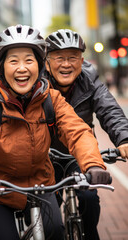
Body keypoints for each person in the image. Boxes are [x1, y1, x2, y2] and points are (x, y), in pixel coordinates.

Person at [0, 25, 111, 240]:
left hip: (40, 185)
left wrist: (93, 164)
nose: (22, 68)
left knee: (56, 233)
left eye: (29, 60)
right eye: (13, 61)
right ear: (2, 67)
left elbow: (78, 132)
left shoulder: (51, 99)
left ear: (39, 65)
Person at [44, 28, 128, 240]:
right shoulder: (37, 83)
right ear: (46, 62)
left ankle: (90, 233)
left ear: (82, 61)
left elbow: (109, 109)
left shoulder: (90, 80)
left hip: (80, 154)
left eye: (73, 58)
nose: (66, 64)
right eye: (59, 58)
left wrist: (124, 138)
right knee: (47, 213)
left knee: (89, 197)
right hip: (43, 156)